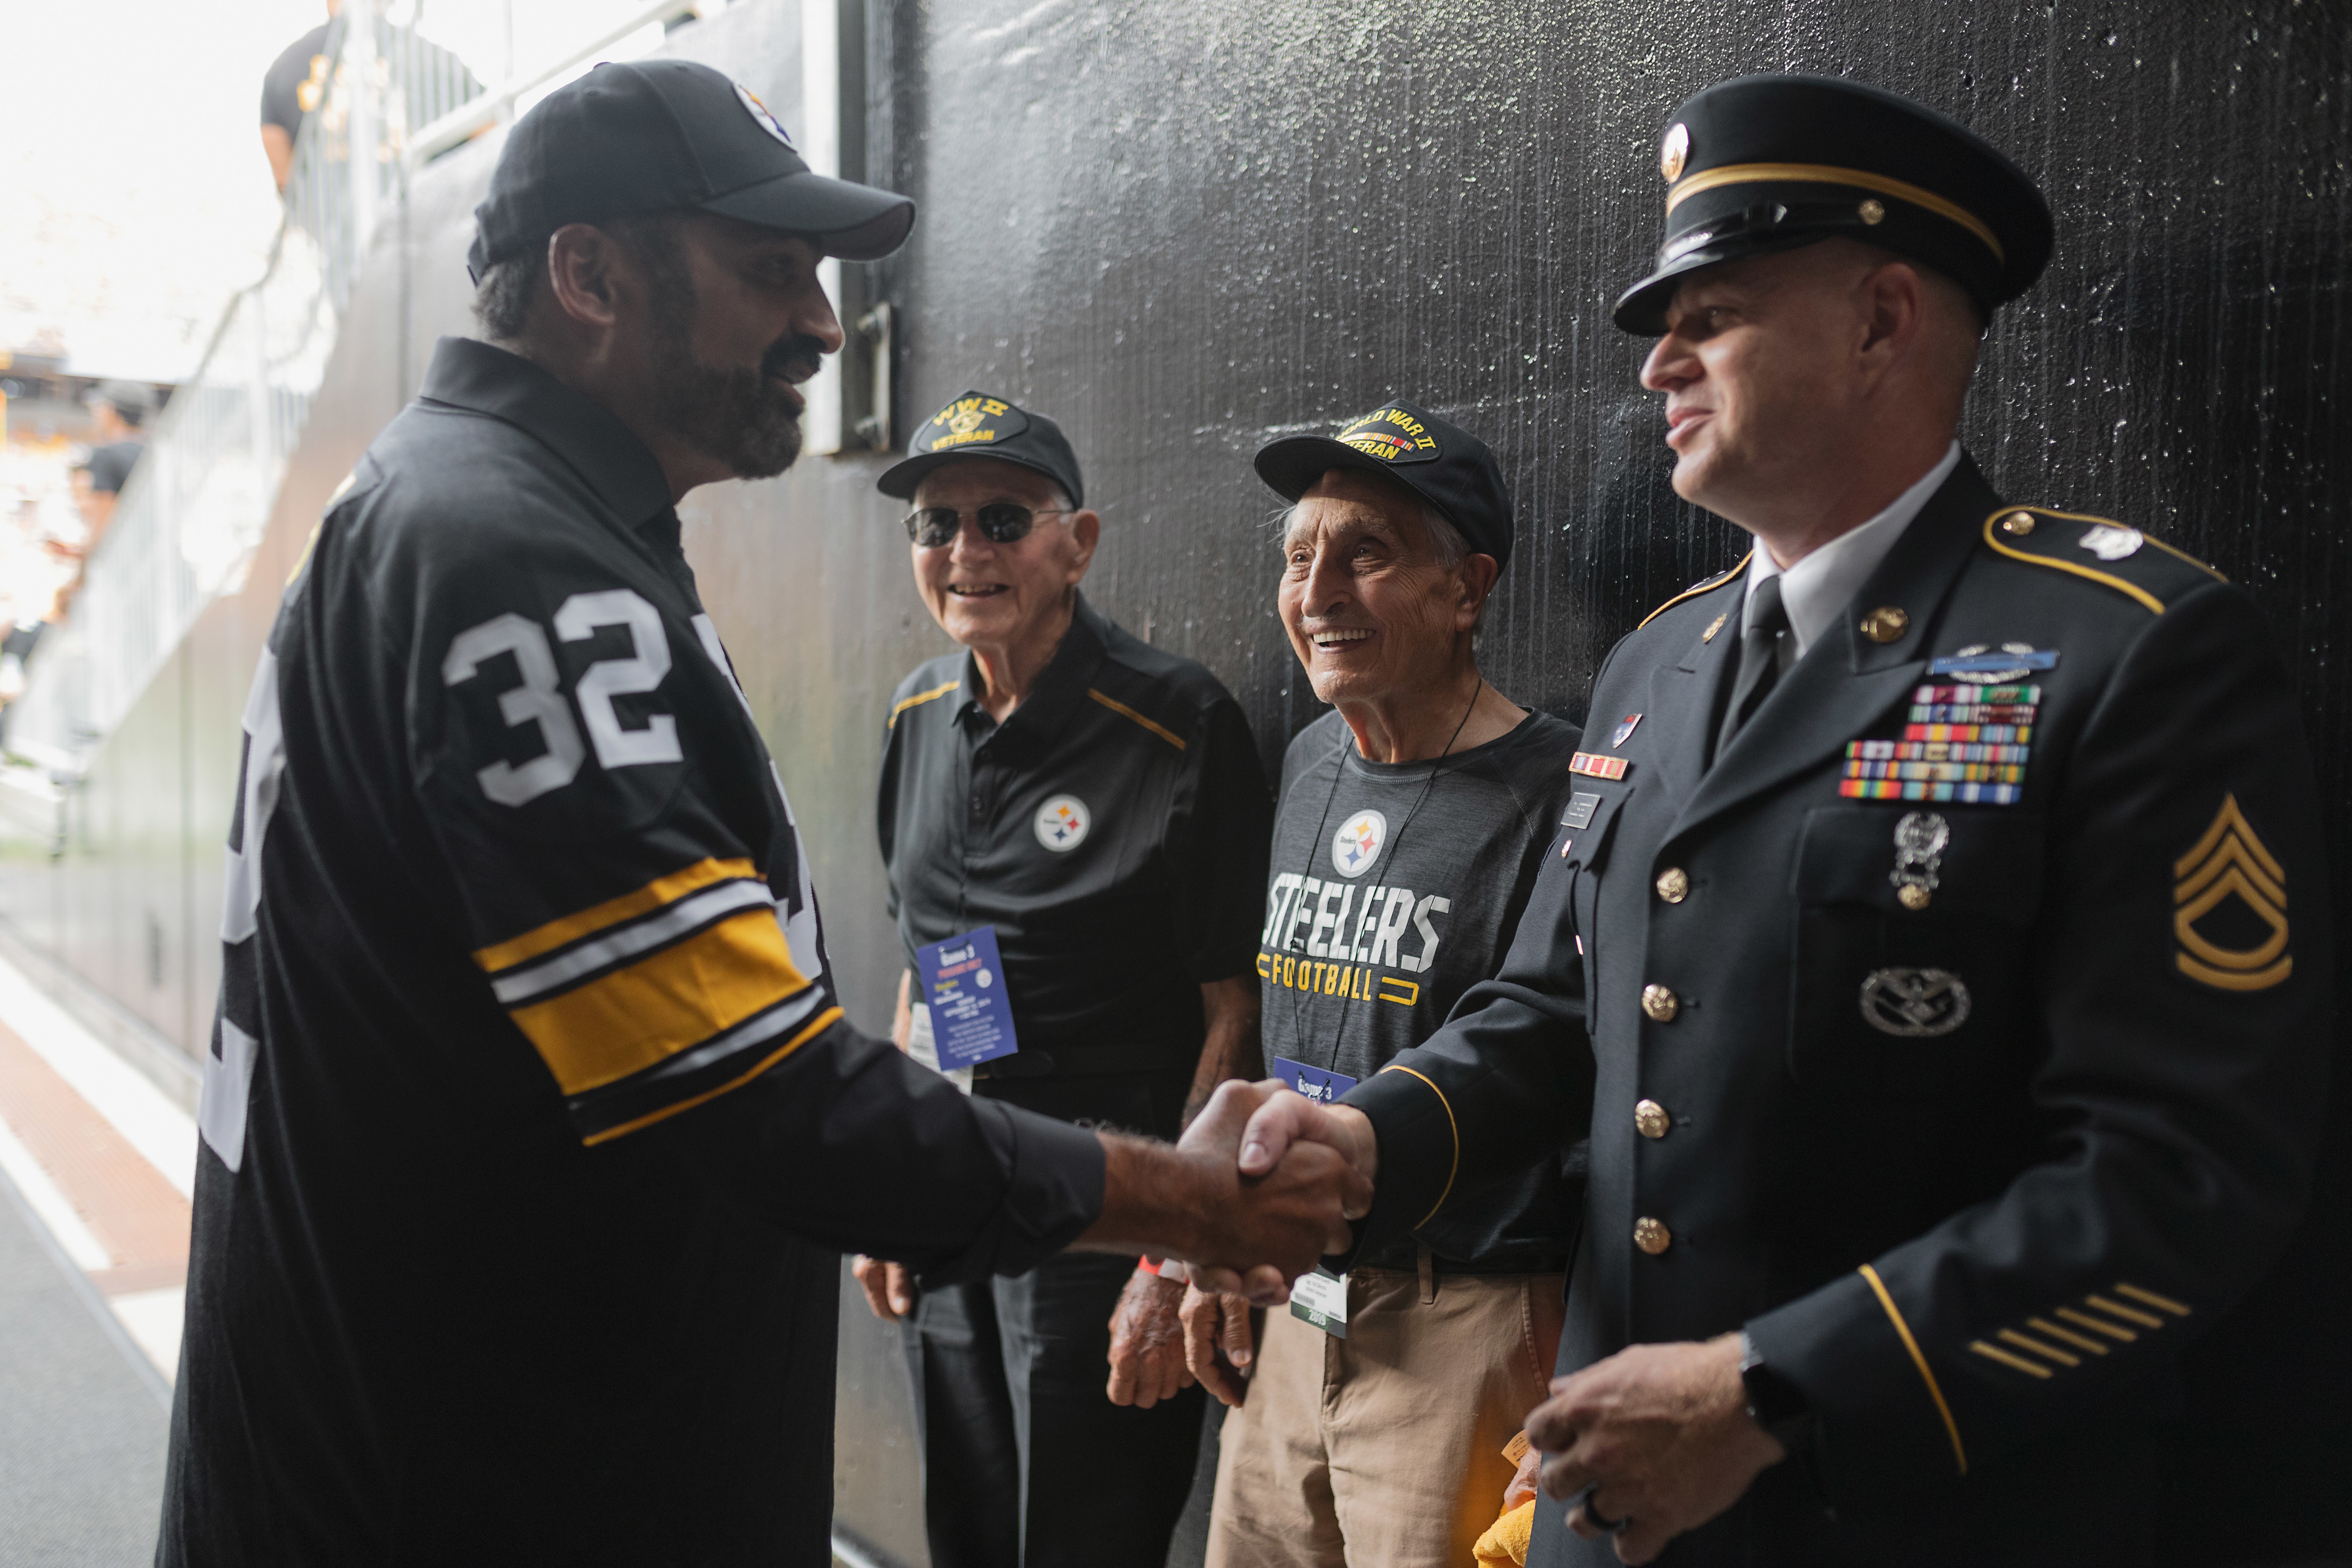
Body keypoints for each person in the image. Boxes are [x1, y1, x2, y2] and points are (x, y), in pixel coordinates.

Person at [160, 59, 1362, 1566]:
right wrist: (1189, 1202)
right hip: (482, 1482)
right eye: (766, 268)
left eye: (1003, 519)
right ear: (587, 274)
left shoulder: (475, 510)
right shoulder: (519, 563)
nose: (818, 320)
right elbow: (759, 1093)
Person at [1218, 74, 2332, 1567]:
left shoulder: (2123, 647)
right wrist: (1363, 1141)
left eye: (1709, 313)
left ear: (1879, 320)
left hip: (1919, 1517)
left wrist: (1772, 1389)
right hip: (1607, 1521)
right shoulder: (1649, 662)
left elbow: (2177, 1176)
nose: (1653, 365)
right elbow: (1557, 1011)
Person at [855, 390, 1273, 1567]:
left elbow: (1232, 1015)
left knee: (1082, 1544)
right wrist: (891, 1181)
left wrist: (1170, 1248)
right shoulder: (916, 712)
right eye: (936, 525)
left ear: (1075, 543)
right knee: (971, 1533)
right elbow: (926, 971)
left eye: (1002, 518)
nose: (964, 552)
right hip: (952, 1185)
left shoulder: (1175, 720)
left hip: (1104, 1205)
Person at [1180, 400, 1587, 1568]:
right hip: (1293, 1310)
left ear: (1467, 589)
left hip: (1467, 1326)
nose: (1319, 592)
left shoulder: (1563, 790)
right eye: (1299, 558)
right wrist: (1217, 1248)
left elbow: (1567, 1073)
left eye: (1368, 554)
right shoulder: (1311, 761)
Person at [77, 380, 150, 540]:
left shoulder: (107, 456)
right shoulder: (155, 455)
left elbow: (102, 529)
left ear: (111, 411)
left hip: (122, 558)